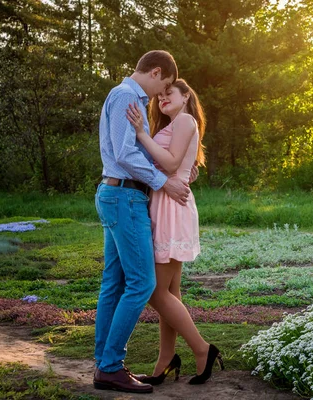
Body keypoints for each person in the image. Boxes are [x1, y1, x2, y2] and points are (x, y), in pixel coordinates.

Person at [93, 50, 198, 394]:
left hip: (119, 194)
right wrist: (162, 181)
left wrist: (178, 173)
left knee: (114, 283)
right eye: (164, 85)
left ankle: (104, 365)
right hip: (125, 196)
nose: (161, 94)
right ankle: (110, 366)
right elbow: (125, 154)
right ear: (156, 73)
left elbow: (144, 152)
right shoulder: (128, 96)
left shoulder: (126, 96)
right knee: (141, 285)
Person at [125, 78, 223, 386]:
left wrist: (141, 132)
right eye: (161, 95)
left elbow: (168, 164)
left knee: (155, 291)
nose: (163, 98)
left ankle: (202, 349)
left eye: (170, 93)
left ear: (186, 96)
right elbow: (176, 167)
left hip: (171, 208)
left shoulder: (185, 120)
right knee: (170, 292)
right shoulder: (175, 123)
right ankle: (165, 361)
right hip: (166, 203)